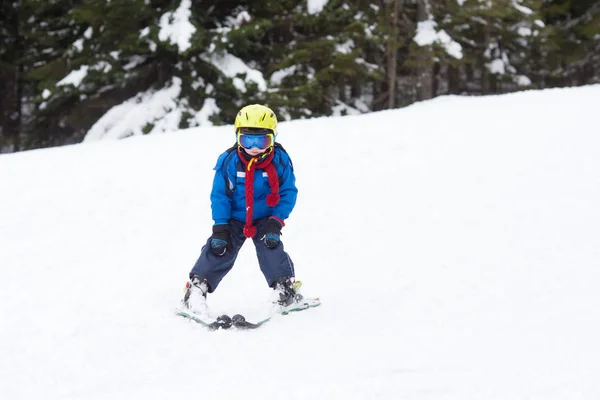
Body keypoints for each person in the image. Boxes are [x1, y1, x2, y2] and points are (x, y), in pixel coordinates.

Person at [182, 104, 300, 315]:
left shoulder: (280, 161)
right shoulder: (229, 161)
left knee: (270, 246)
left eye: (262, 140)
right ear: (237, 137)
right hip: (235, 218)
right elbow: (220, 196)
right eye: (247, 140)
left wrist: (276, 221)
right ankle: (196, 289)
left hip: (266, 218)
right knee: (220, 247)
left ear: (272, 138)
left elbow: (288, 192)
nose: (254, 147)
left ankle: (285, 289)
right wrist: (220, 227)